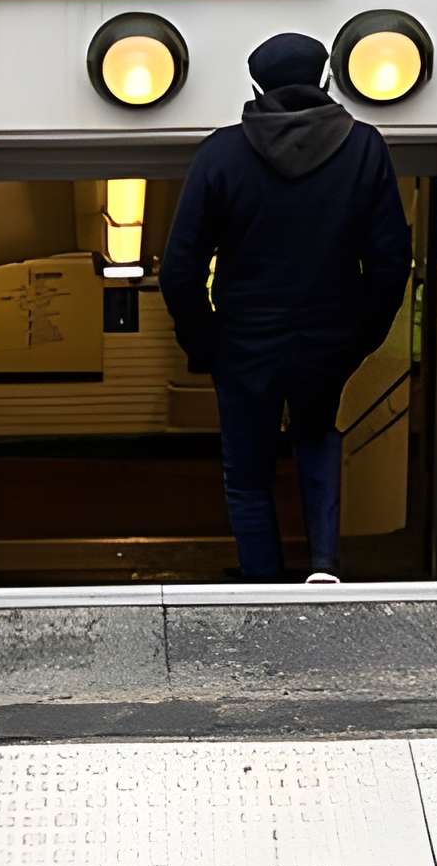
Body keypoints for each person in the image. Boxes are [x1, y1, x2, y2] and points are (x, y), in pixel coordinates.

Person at [159, 31, 413, 584]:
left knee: (247, 474)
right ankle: (323, 566)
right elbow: (392, 261)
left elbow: (179, 268)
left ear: (254, 87)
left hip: (244, 342)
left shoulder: (221, 153)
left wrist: (207, 344)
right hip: (327, 339)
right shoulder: (365, 146)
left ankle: (264, 584)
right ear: (324, 79)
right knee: (318, 434)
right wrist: (360, 339)